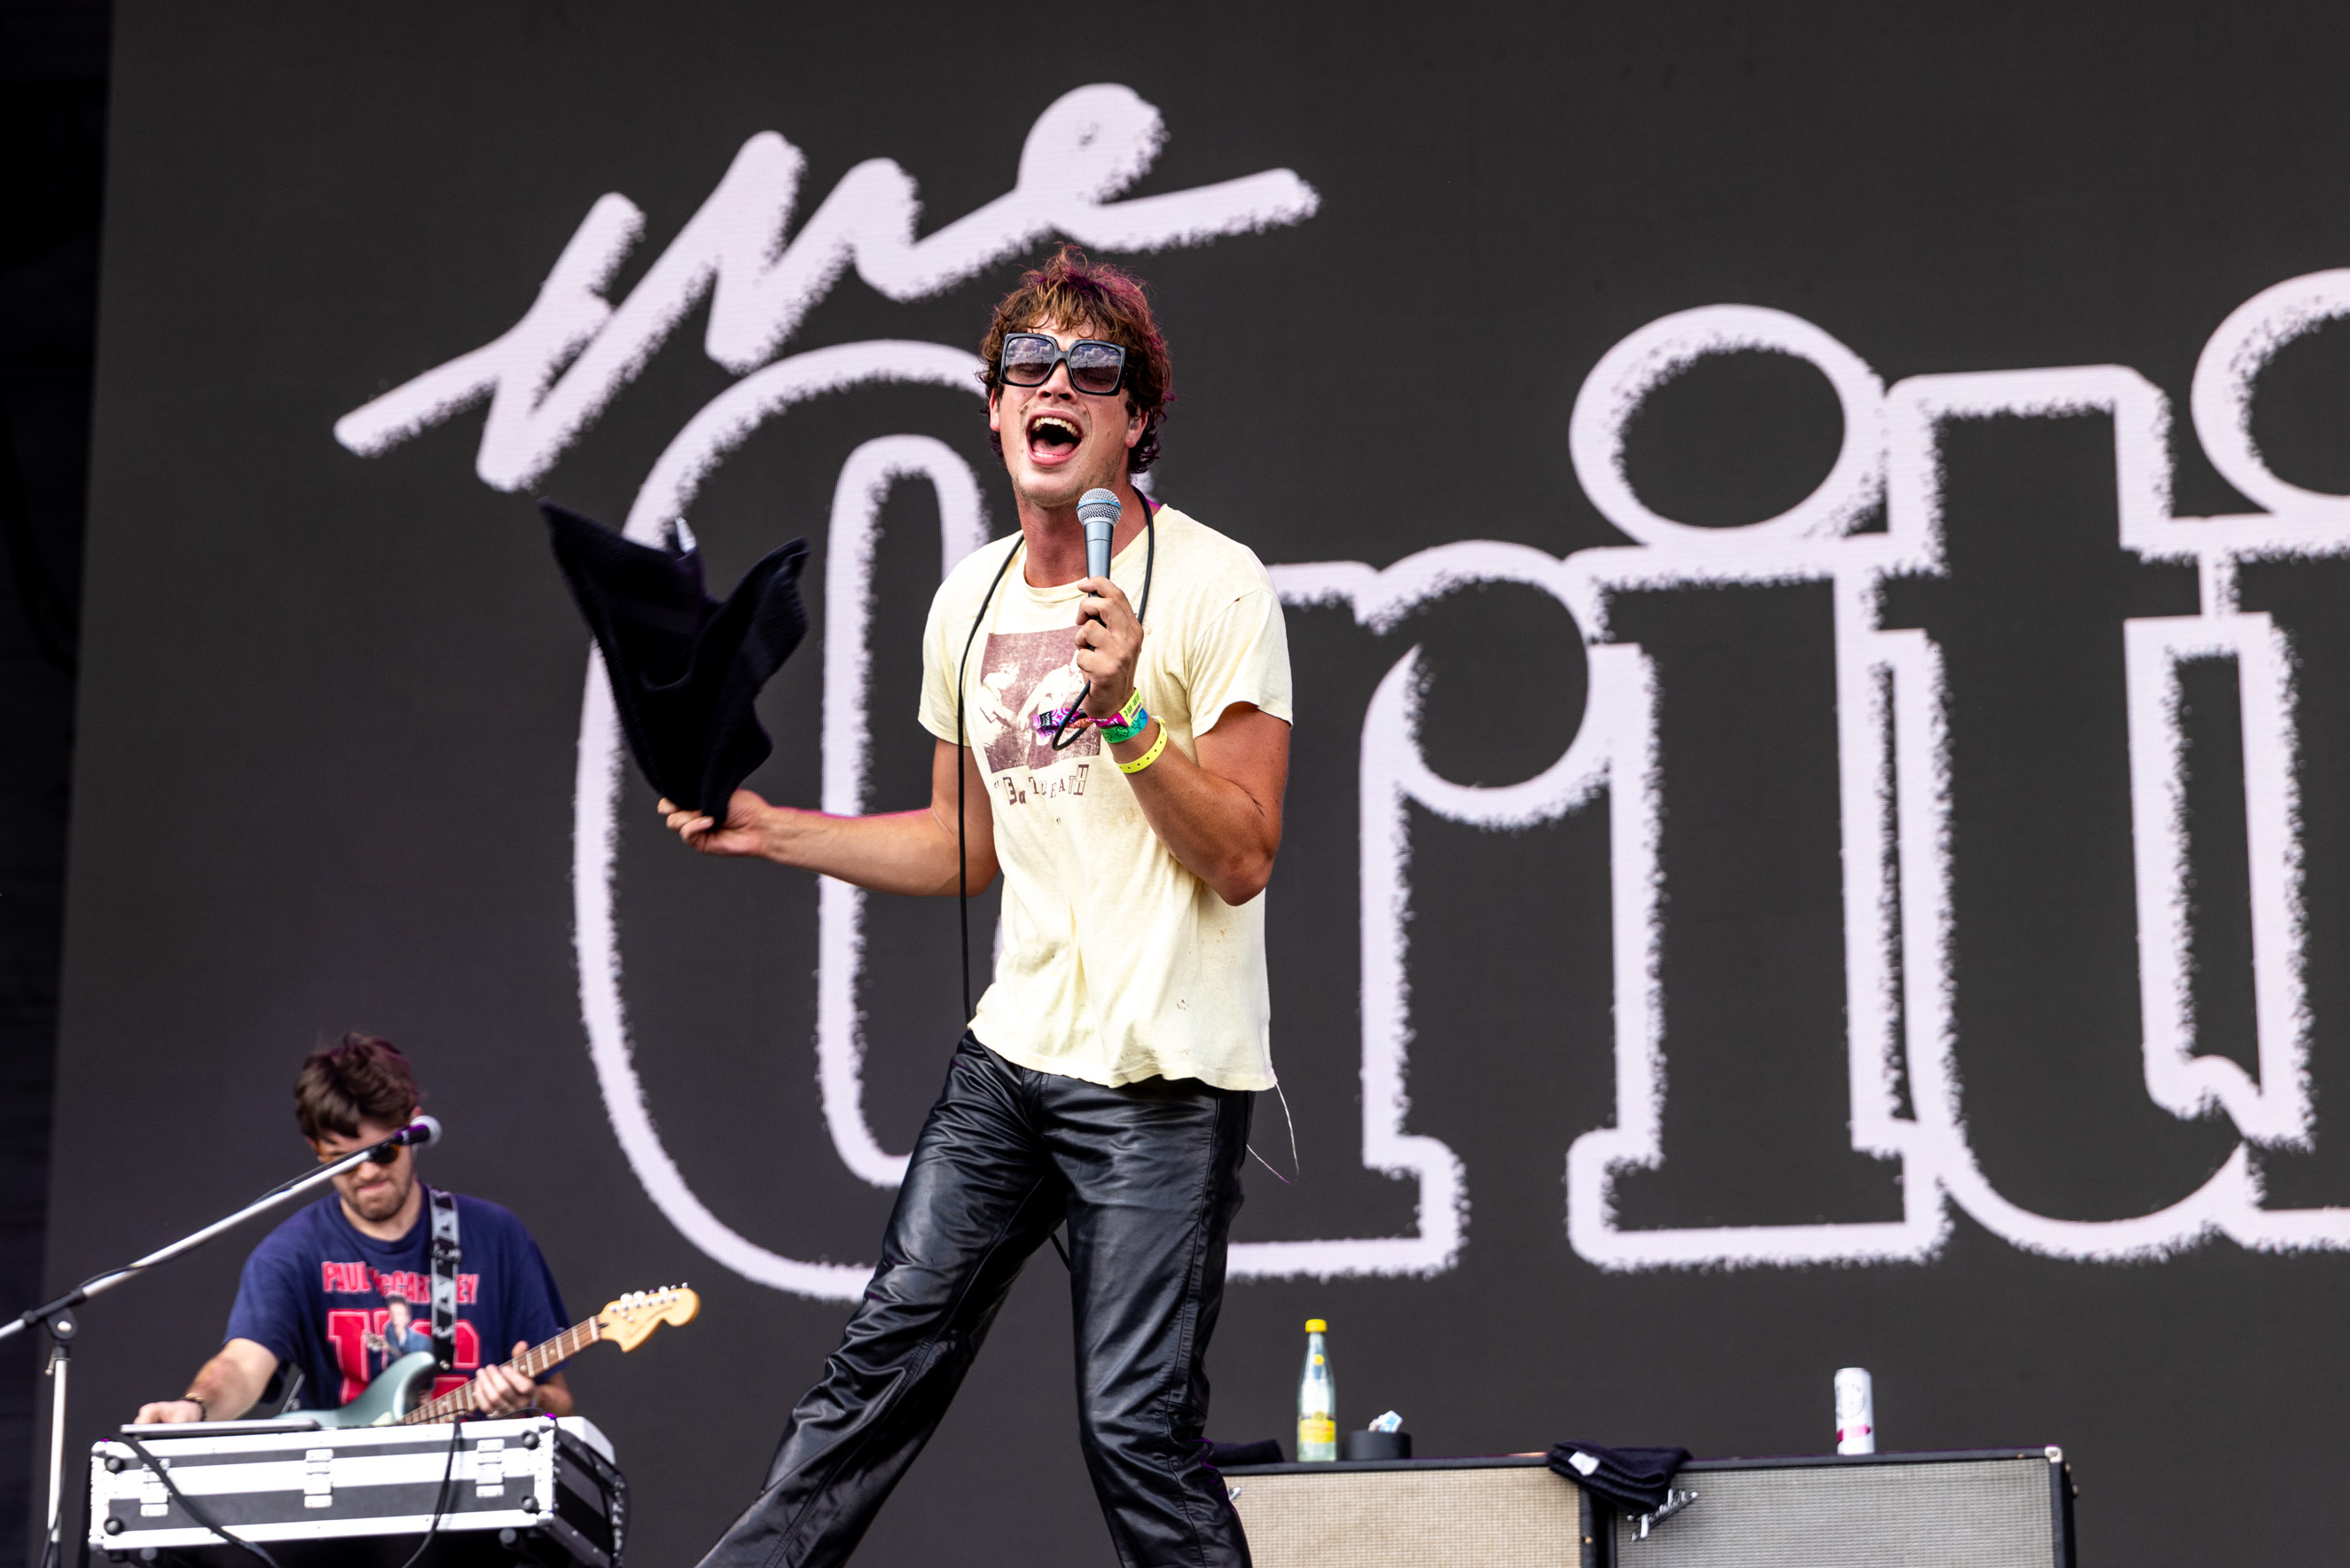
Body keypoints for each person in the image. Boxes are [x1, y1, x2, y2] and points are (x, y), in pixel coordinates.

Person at [667, 246, 1291, 1567]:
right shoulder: (971, 599)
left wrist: (1126, 714)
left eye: (1092, 369)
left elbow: (1242, 855)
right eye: (1029, 365)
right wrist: (772, 831)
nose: (1055, 385)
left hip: (1161, 1077)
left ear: (1135, 419)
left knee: (1134, 1434)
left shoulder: (1216, 583)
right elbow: (964, 843)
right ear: (996, 408)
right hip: (1013, 1058)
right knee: (869, 1379)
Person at [134, 1035, 575, 1424]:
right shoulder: (292, 1252)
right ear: (317, 1150)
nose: (366, 1173)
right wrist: (196, 1406)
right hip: (343, 1487)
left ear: (414, 1128)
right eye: (344, 1160)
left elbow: (562, 1404)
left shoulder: (497, 1237)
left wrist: (530, 1400)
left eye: (382, 1152)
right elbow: (243, 1365)